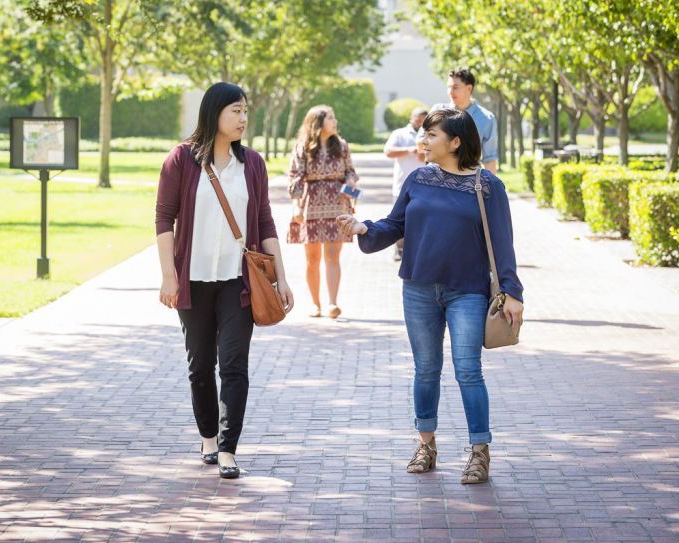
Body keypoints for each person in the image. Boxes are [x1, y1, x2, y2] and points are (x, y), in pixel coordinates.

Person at [337, 108, 523, 484]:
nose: (423, 141)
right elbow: (395, 224)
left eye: (431, 135)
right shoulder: (418, 178)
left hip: (467, 291)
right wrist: (363, 228)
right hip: (419, 289)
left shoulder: (487, 186)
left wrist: (512, 291)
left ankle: (479, 452)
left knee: (468, 370)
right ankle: (426, 445)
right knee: (426, 369)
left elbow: (503, 243)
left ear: (455, 142)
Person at [155, 82, 294, 479]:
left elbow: (265, 220)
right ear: (214, 112)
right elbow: (164, 217)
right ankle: (209, 439)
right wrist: (169, 276)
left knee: (234, 365)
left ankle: (229, 450)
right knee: (200, 366)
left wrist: (281, 278)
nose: (243, 118)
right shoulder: (181, 160)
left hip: (239, 281)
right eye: (235, 110)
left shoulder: (252, 164)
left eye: (245, 110)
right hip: (192, 280)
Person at [287, 105, 358, 319]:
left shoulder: (343, 146)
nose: (335, 122)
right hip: (311, 205)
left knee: (333, 256)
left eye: (334, 118)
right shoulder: (303, 147)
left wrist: (351, 183)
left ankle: (332, 303)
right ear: (317, 123)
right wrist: (296, 207)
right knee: (312, 258)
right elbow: (295, 177)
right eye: (330, 118)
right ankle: (315, 304)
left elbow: (350, 171)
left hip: (337, 204)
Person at [417, 67, 498, 173]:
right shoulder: (437, 111)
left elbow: (490, 160)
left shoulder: (486, 118)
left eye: (455, 87)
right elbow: (420, 144)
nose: (450, 92)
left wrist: (489, 187)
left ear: (469, 88)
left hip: (469, 181)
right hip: (436, 177)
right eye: (449, 87)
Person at [384, 107, 427, 261]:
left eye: (423, 121)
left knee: (421, 219)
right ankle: (399, 248)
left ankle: (416, 249)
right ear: (411, 118)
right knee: (399, 218)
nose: (420, 123)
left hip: (424, 186)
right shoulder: (399, 134)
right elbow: (388, 151)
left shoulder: (429, 134)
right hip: (402, 184)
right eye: (418, 120)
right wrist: (409, 150)